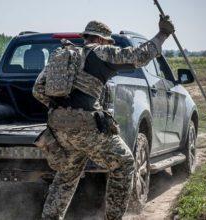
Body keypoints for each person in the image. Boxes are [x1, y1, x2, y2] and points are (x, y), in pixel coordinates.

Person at [33, 16, 175, 220]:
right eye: (109, 42)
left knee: (66, 176)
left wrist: (63, 111)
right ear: (100, 39)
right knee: (125, 163)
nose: (110, 45)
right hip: (86, 127)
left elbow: (37, 90)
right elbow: (139, 56)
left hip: (58, 129)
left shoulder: (65, 56)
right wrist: (163, 34)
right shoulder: (100, 52)